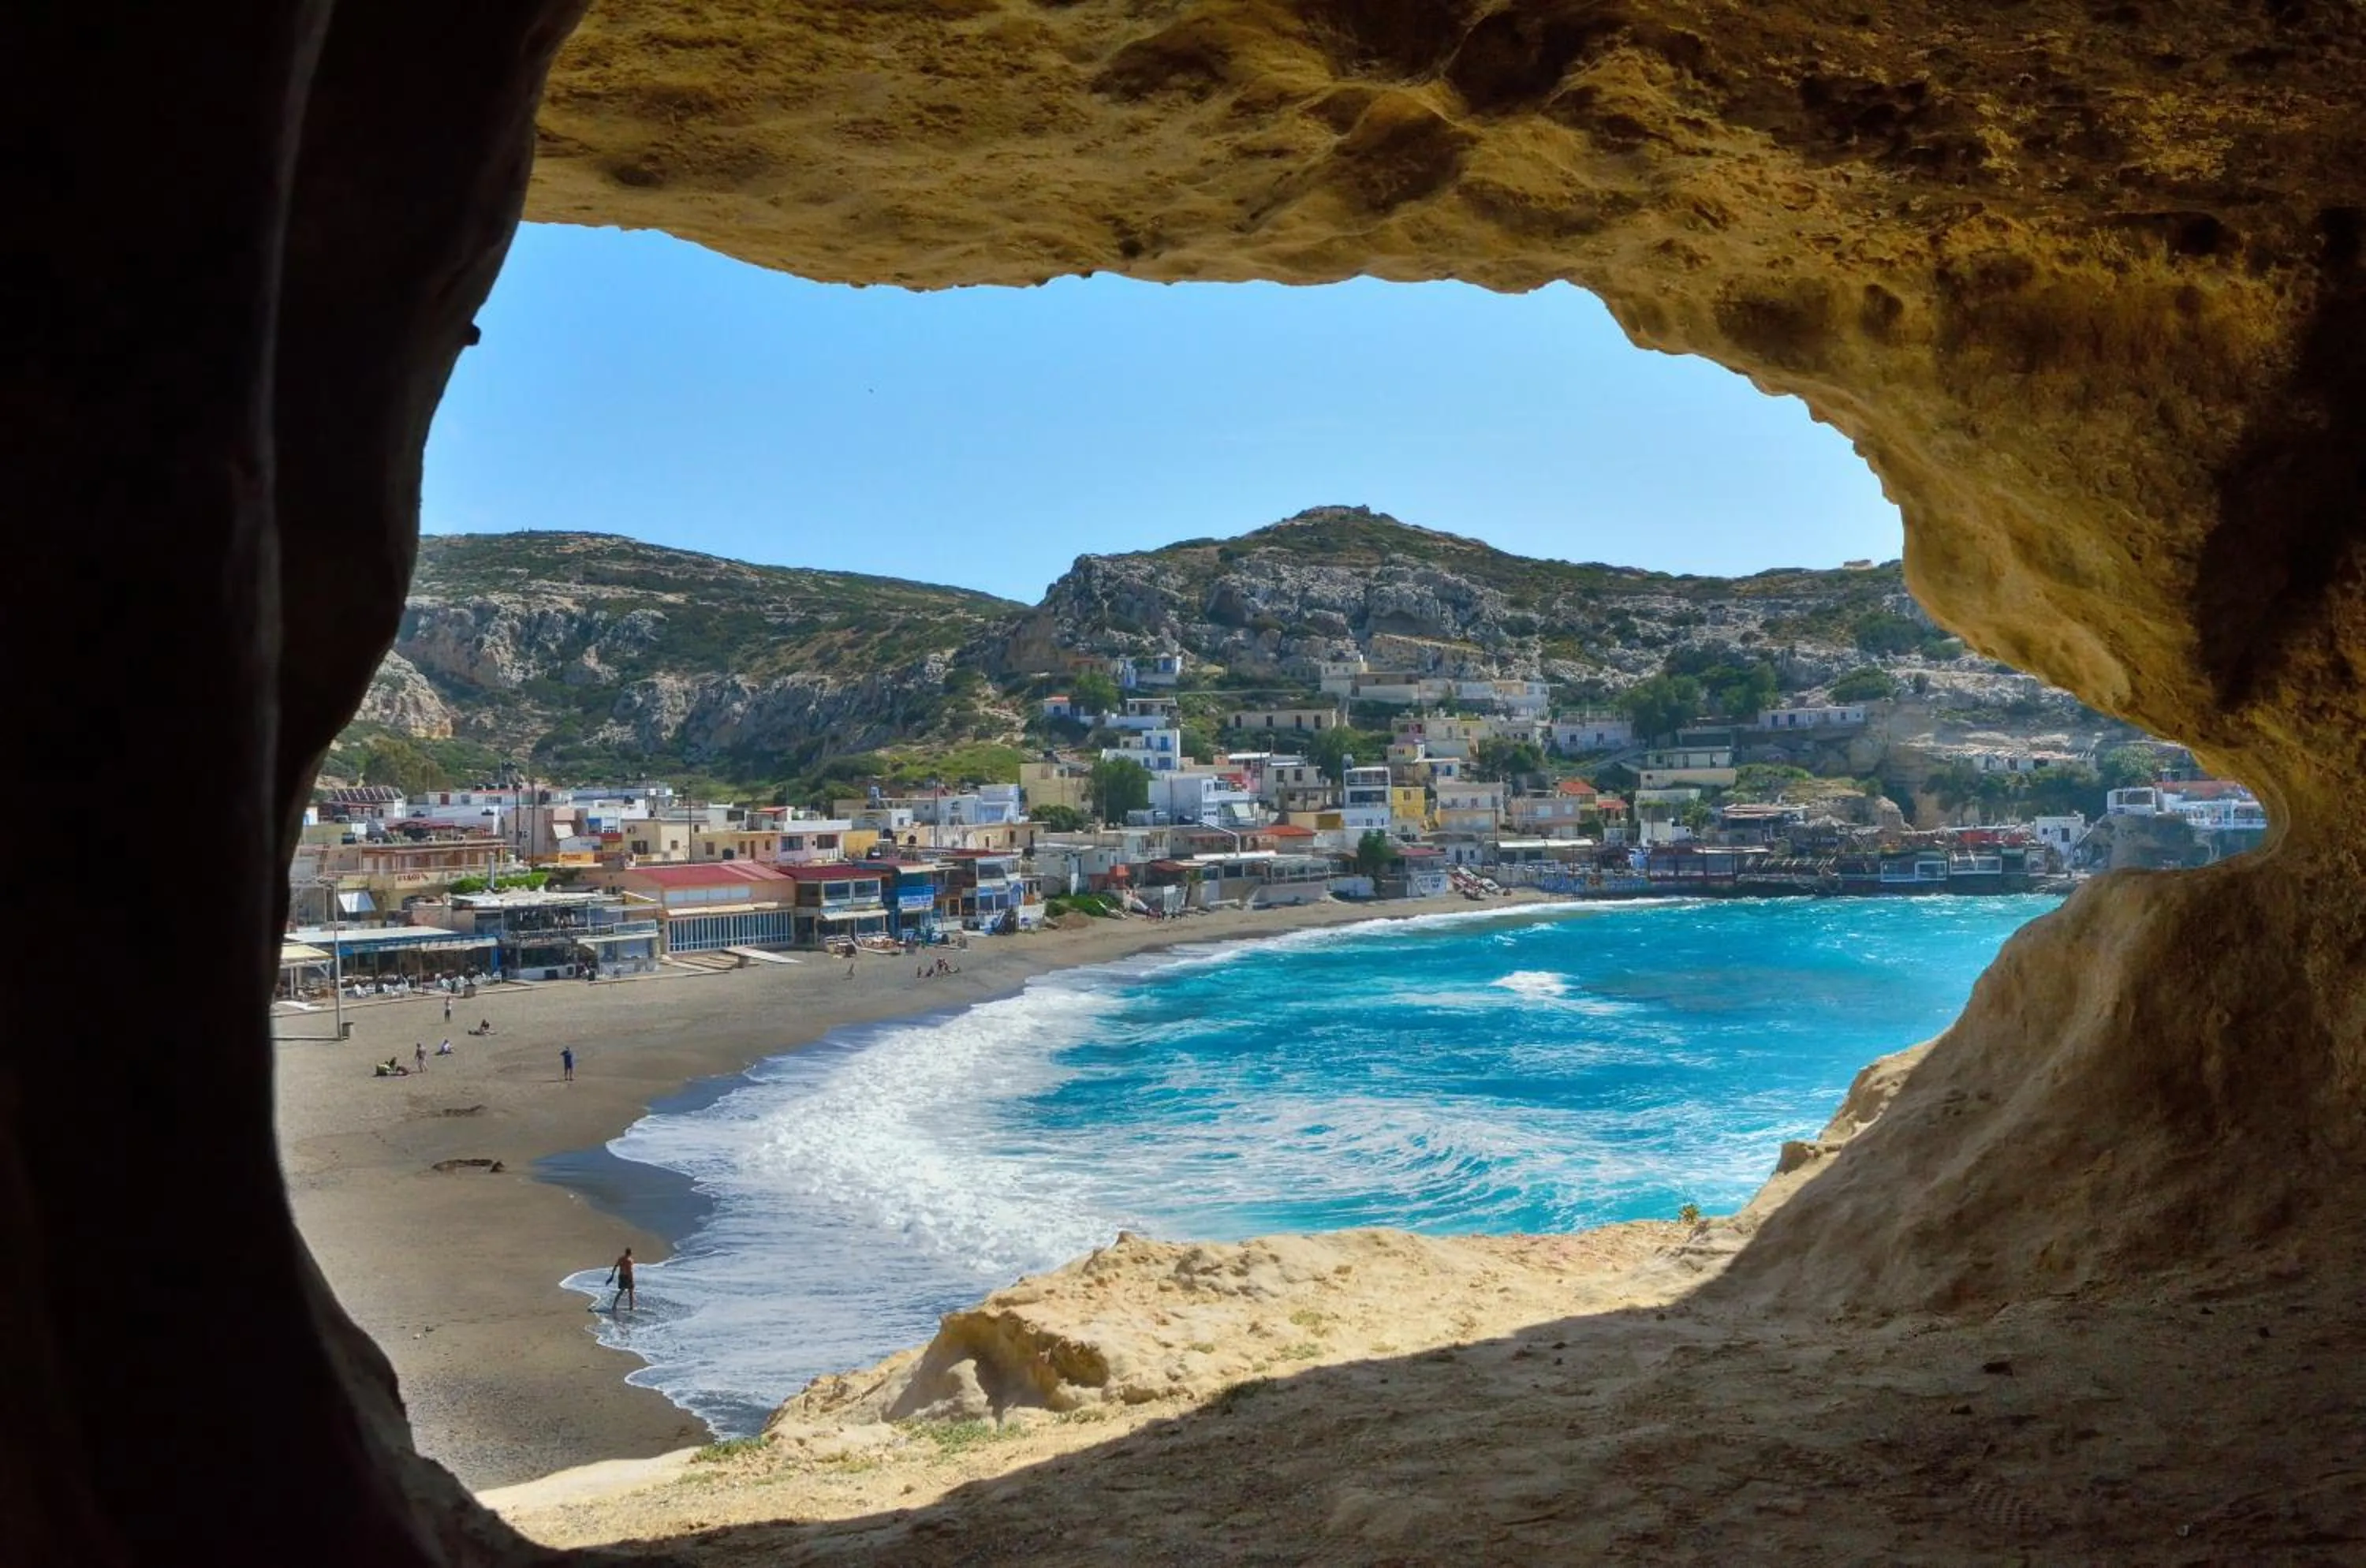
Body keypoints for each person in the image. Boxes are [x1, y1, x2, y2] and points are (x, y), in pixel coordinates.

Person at [605, 1247, 636, 1312]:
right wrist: (632, 1279)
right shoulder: (630, 1261)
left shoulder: (621, 1259)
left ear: (625, 1252)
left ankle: (614, 1305)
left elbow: (615, 1266)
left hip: (621, 1276)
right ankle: (631, 1307)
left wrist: (612, 1276)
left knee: (621, 1291)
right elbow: (630, 1271)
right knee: (631, 1292)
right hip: (627, 1277)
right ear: (630, 1253)